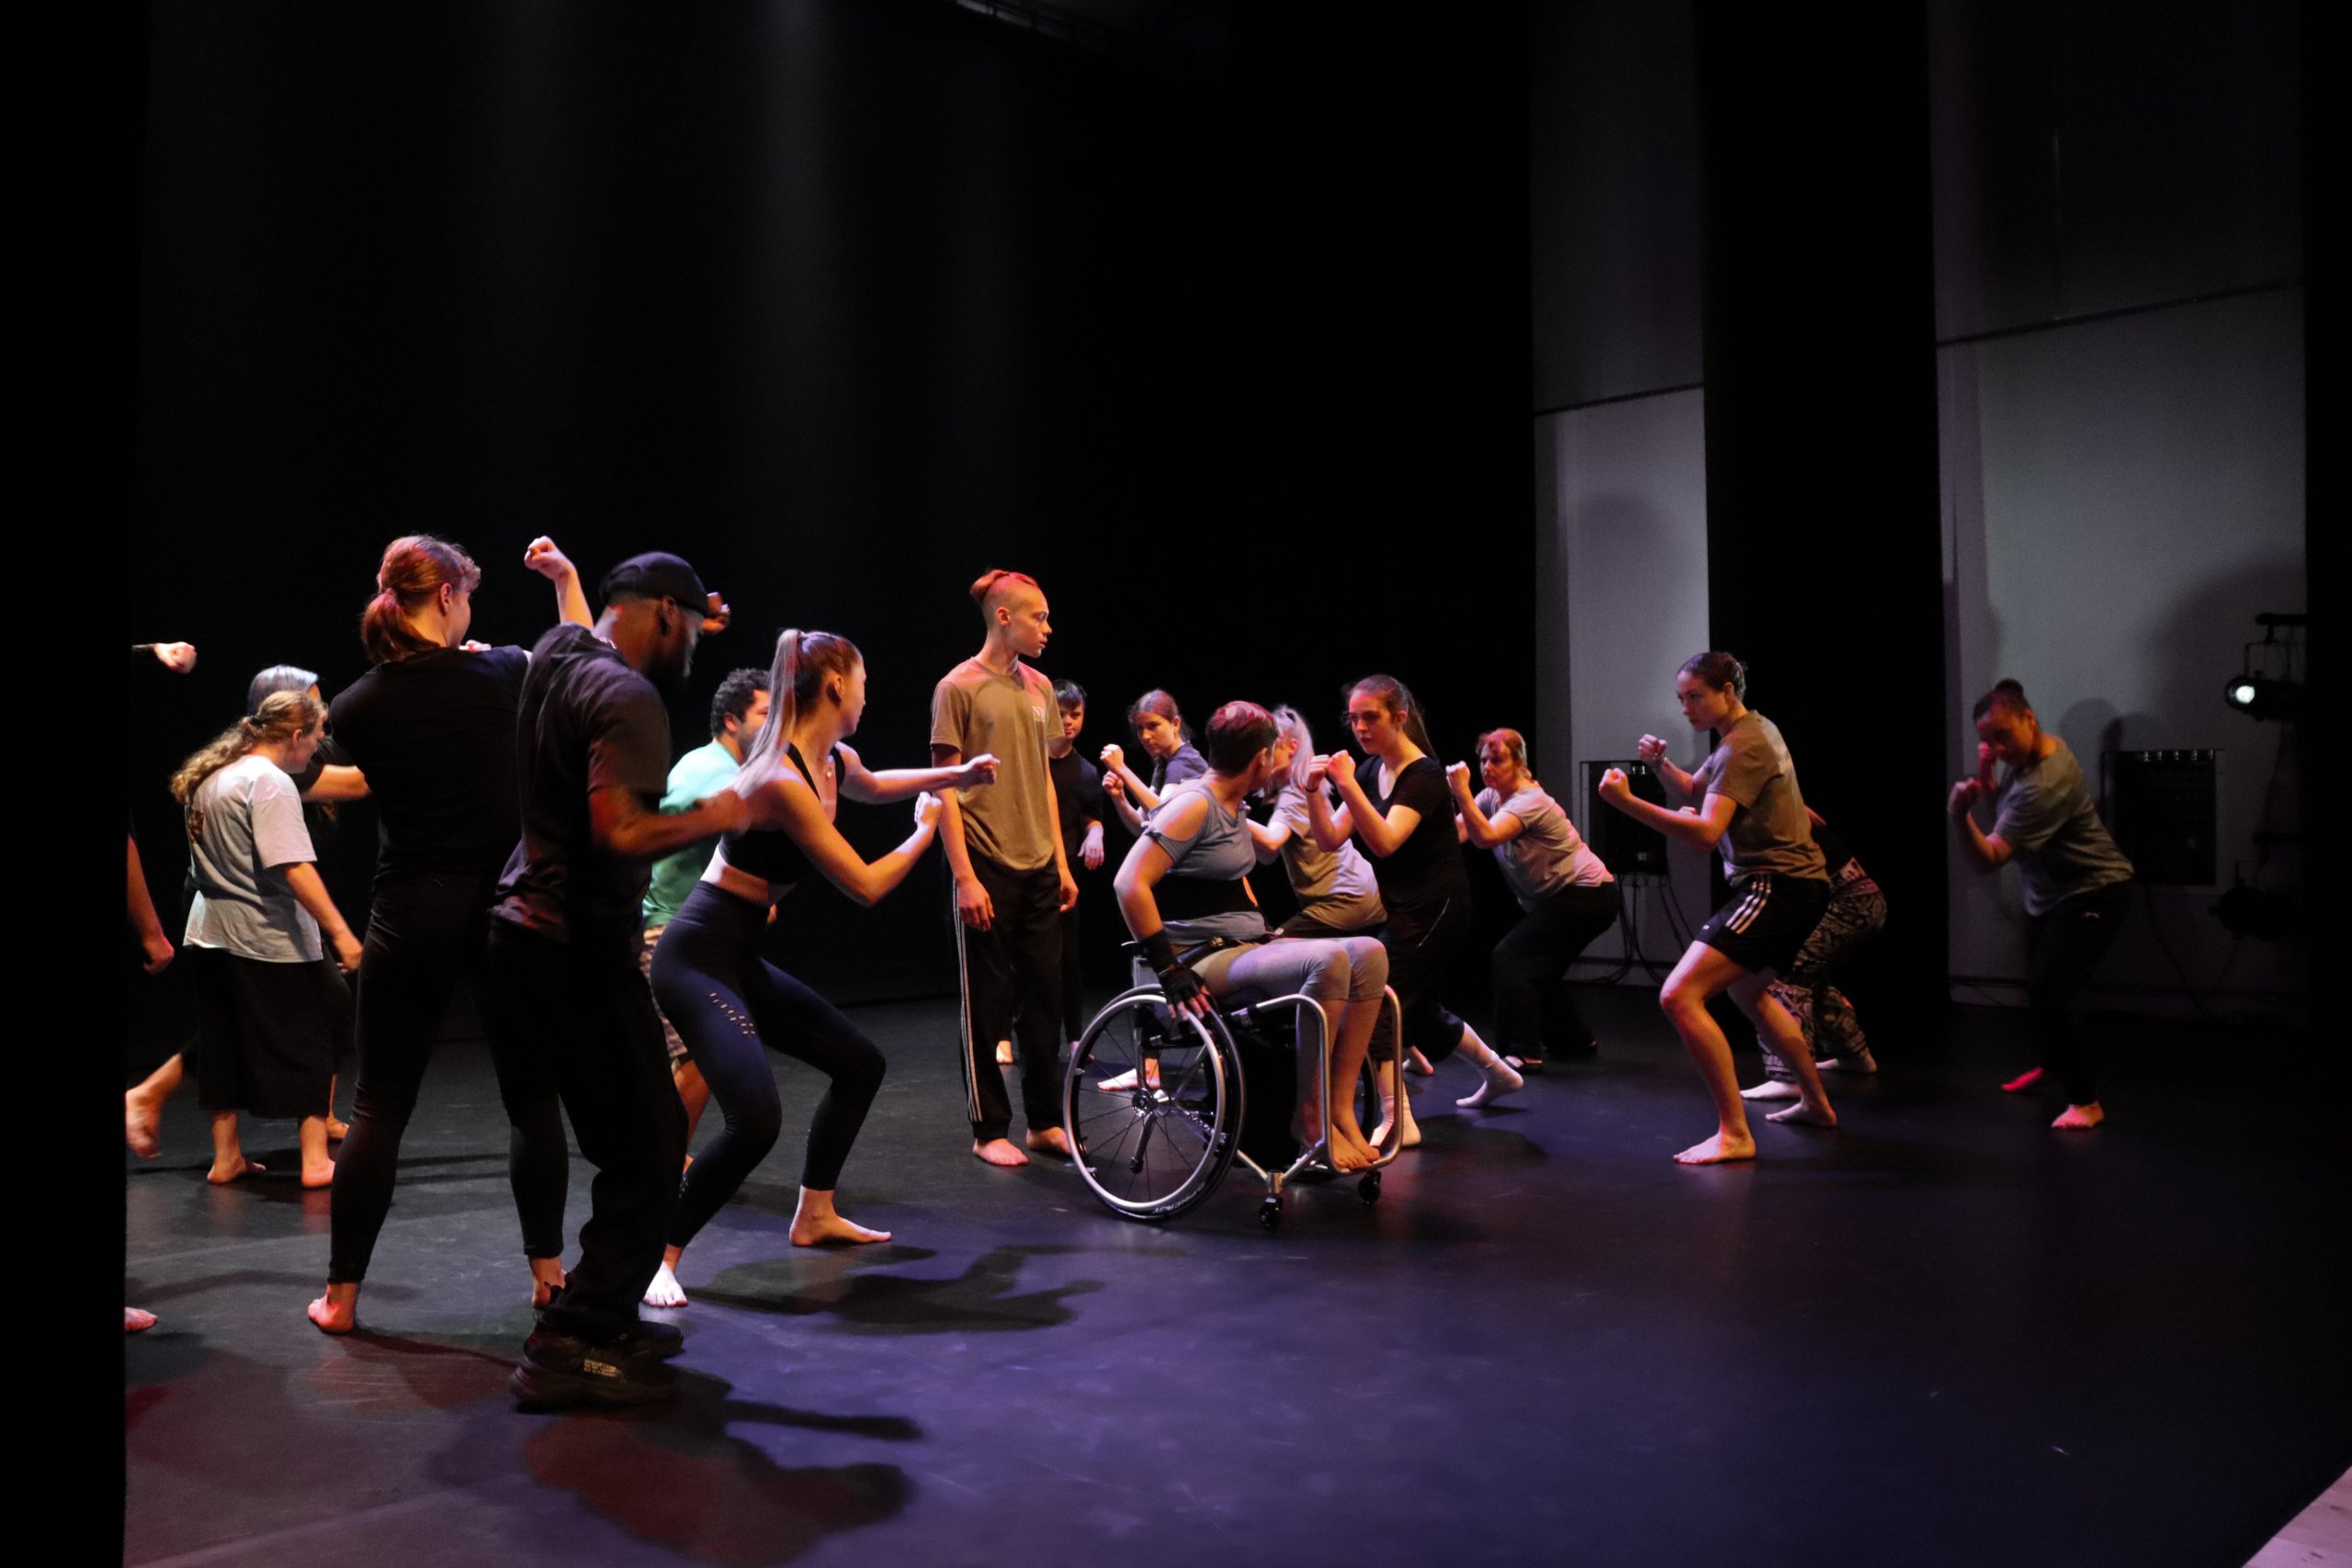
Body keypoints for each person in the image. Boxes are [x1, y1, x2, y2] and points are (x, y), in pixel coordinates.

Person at [643, 630, 996, 1307]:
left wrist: (954, 776)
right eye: (862, 681)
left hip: (737, 953)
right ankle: (659, 1251)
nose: (868, 694)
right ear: (836, 686)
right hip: (696, 957)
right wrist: (926, 830)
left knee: (859, 1063)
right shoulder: (780, 775)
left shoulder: (829, 756)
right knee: (755, 1119)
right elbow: (863, 885)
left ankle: (815, 1213)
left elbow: (872, 783)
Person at [473, 551, 746, 1408]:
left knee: (642, 1133)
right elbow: (621, 829)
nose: (696, 647)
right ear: (662, 613)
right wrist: (728, 811)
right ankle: (573, 1341)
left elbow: (582, 616)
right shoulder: (629, 698)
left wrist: (666, 600)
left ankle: (599, 1311)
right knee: (653, 1145)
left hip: (521, 934)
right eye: (691, 629)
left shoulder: (560, 655)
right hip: (576, 947)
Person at [304, 534, 593, 1335]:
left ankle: (342, 1298)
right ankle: (548, 1273)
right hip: (505, 912)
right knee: (530, 1097)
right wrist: (565, 577)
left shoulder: (360, 703)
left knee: (380, 1107)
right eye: (465, 594)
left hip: (411, 912)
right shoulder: (502, 671)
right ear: (445, 600)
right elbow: (586, 657)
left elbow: (318, 771)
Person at [1114, 701, 1390, 1170]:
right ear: (1261, 758)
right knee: (1328, 962)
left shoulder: (1228, 805)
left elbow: (1242, 868)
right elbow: (1128, 882)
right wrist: (1168, 967)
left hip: (1241, 946)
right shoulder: (1194, 804)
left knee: (1370, 951)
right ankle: (1310, 1117)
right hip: (1200, 956)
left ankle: (1339, 1108)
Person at [1596, 652, 1836, 1164]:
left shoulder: (1741, 747)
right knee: (1751, 993)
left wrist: (1626, 805)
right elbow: (1695, 791)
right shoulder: (1753, 731)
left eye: (1695, 697)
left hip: (1778, 886)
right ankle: (1816, 1103)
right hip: (1797, 885)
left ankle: (1734, 1134)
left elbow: (1705, 834)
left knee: (1678, 996)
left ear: (1728, 691)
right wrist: (1660, 766)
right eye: (1681, 699)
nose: (1686, 708)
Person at [1307, 674, 1521, 1136]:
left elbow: (1385, 843)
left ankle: (1398, 1118)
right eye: (1354, 719)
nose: (1360, 728)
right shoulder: (1370, 771)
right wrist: (1312, 794)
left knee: (1377, 999)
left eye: (1371, 718)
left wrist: (1345, 785)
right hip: (1404, 909)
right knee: (1416, 1008)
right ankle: (1498, 1072)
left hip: (1438, 908)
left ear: (1399, 717)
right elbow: (1328, 839)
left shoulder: (1422, 774)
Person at [174, 690, 364, 1189]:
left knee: (223, 1042)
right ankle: (316, 1161)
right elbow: (292, 865)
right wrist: (341, 933)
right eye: (317, 739)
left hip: (210, 931)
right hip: (264, 935)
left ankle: (226, 1157)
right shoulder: (270, 782)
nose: (315, 751)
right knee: (312, 1034)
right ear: (296, 736)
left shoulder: (211, 776)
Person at [931, 569, 1080, 1168]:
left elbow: (1042, 777)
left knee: (1045, 997)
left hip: (1040, 863)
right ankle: (989, 1127)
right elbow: (943, 786)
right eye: (1038, 616)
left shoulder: (1040, 686)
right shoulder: (957, 687)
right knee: (986, 1003)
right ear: (1004, 617)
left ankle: (1045, 1121)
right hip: (986, 859)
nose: (1048, 627)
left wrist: (1061, 861)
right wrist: (964, 875)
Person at [1949, 679, 2136, 1130]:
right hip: (2052, 896)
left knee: (2051, 989)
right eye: (1988, 740)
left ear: (2029, 719)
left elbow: (1990, 857)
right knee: (2041, 989)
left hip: (2094, 890)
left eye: (2003, 735)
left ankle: (2086, 1102)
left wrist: (1958, 816)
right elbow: (2008, 815)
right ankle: (2054, 1065)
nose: (1997, 747)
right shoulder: (2038, 750)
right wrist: (1990, 781)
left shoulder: (2047, 782)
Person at [641, 667, 773, 1145]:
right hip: (666, 933)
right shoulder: (716, 771)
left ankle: (659, 1158)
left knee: (693, 1055)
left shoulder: (720, 765)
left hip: (683, 933)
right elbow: (689, 810)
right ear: (733, 722)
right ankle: (663, 1163)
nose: (775, 721)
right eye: (765, 712)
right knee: (698, 1054)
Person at [1449, 728, 1617, 1071]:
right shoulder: (1492, 797)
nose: (1487, 768)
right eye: (1483, 760)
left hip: (1587, 894)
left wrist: (1461, 792)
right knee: (1539, 969)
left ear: (1519, 763)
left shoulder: (1529, 800)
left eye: (1497, 760)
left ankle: (1522, 1052)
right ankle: (1574, 1039)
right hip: (1566, 899)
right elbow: (1459, 832)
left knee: (1512, 956)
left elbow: (1486, 837)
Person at [1730, 805, 1884, 1100]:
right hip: (1858, 900)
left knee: (1784, 970)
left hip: (1851, 902)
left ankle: (1788, 1077)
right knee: (1812, 977)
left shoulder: (1775, 810)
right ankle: (1853, 1055)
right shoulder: (1781, 805)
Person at [1046, 680, 1108, 1048]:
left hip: (1065, 872)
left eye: (1075, 714)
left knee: (1068, 958)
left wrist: (1096, 833)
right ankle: (1005, 1034)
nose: (1068, 721)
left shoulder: (1084, 771)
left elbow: (1091, 814)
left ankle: (1073, 1036)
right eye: (1061, 714)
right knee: (1018, 961)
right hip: (1026, 868)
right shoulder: (1029, 762)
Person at [1099, 689, 1206, 834]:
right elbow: (1141, 827)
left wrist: (1122, 769)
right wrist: (1119, 798)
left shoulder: (1185, 762)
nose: (1145, 736)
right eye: (1140, 728)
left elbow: (1164, 817)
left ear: (1175, 724)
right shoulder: (1163, 764)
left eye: (1153, 726)